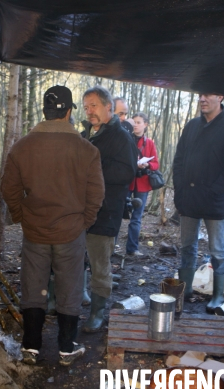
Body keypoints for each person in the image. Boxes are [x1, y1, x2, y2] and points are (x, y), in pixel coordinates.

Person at [1, 85, 105, 366]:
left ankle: (31, 347)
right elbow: (96, 194)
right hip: (70, 232)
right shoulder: (86, 149)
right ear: (69, 111)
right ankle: (67, 347)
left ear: (44, 111)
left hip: (35, 230)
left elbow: (9, 189)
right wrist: (84, 221)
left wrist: (21, 216)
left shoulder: (22, 147)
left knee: (33, 286)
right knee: (70, 286)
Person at [173, 93, 224, 313]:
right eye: (200, 95)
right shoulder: (191, 126)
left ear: (221, 96)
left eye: (208, 95)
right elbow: (178, 160)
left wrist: (215, 190)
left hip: (215, 201)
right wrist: (179, 189)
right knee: (187, 246)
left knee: (217, 249)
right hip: (188, 199)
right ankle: (185, 289)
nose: (202, 99)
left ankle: (217, 295)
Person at [81, 86, 138, 332]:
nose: (89, 111)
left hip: (106, 210)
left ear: (108, 107)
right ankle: (80, 296)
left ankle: (97, 312)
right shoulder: (85, 135)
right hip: (81, 209)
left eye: (93, 105)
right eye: (85, 107)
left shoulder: (120, 136)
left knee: (100, 263)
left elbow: (127, 171)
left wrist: (94, 171)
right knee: (78, 258)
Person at [126, 112, 159, 256]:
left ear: (145, 124)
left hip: (143, 183)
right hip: (126, 182)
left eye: (138, 122)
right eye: (134, 122)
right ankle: (111, 248)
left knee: (136, 218)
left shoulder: (150, 143)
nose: (135, 125)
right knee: (117, 214)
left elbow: (156, 164)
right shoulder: (126, 139)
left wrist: (147, 165)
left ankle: (132, 249)